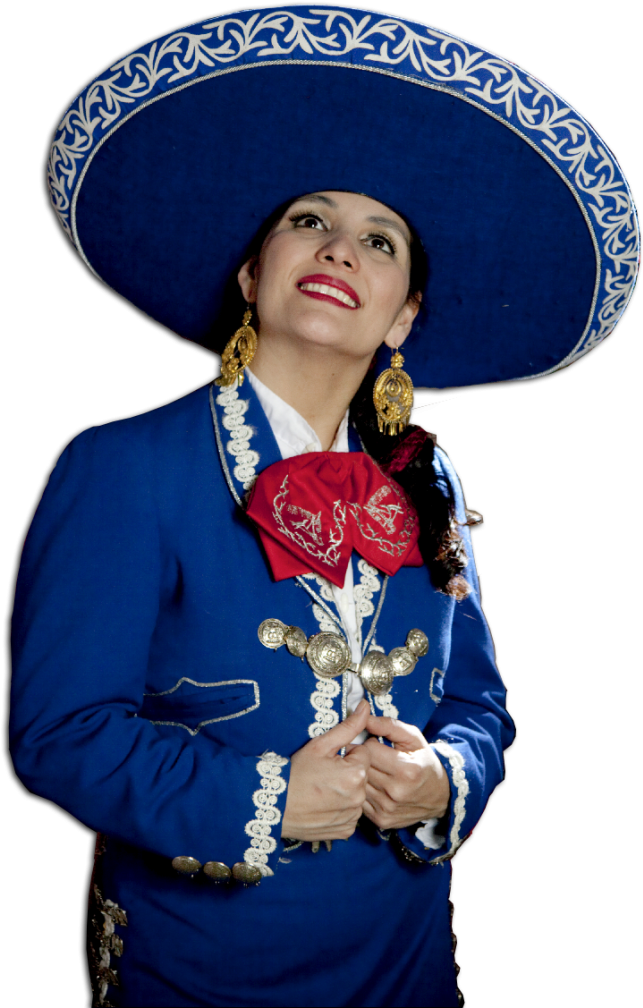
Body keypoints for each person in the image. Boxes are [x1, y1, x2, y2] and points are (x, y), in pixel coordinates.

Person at [11, 7, 637, 1008]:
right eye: (308, 221)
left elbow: (480, 707)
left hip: (409, 964)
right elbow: (61, 732)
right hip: (198, 970)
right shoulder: (122, 465)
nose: (340, 249)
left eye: (378, 241)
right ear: (253, 274)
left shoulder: (432, 482)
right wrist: (265, 799)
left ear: (403, 318)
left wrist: (443, 777)